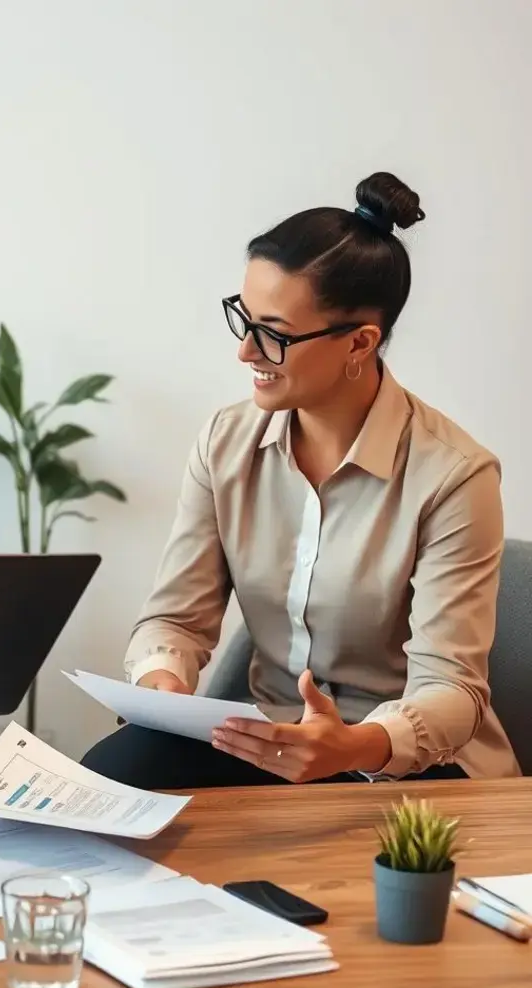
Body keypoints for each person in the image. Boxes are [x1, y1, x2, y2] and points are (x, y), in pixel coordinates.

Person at [82, 172, 520, 788]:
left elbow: (451, 692)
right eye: (245, 319)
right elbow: (175, 621)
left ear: (360, 343)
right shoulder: (225, 444)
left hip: (404, 768)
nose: (246, 352)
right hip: (267, 748)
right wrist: (165, 688)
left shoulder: (454, 476)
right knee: (109, 774)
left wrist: (351, 746)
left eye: (275, 335)